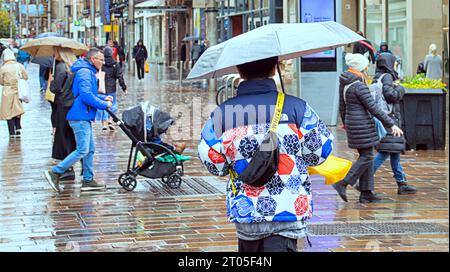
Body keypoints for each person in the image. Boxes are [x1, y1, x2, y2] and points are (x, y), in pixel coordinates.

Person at [198, 56, 334, 252]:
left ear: (240, 71)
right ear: (273, 68)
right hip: (288, 207)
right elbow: (320, 152)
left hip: (246, 210)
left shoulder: (223, 113)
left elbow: (213, 162)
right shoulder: (297, 107)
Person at [333, 53, 403, 203]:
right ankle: (343, 183)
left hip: (353, 123)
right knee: (367, 156)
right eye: (366, 66)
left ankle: (366, 193)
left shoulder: (346, 82)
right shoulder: (359, 85)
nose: (368, 68)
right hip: (361, 124)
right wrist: (391, 124)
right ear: (361, 67)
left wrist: (346, 123)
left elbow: (342, 105)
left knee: (367, 156)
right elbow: (373, 108)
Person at [44, 48, 113, 193]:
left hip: (84, 115)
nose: (103, 61)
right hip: (79, 116)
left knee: (90, 149)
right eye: (100, 59)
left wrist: (103, 98)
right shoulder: (85, 72)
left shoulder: (87, 71)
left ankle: (88, 180)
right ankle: (55, 172)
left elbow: (91, 94)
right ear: (93, 59)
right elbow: (86, 95)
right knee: (82, 149)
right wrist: (103, 104)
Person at [372, 53, 417, 195]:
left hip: (385, 119)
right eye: (395, 62)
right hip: (390, 120)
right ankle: (363, 178)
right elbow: (390, 95)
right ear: (389, 63)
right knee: (385, 151)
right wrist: (400, 89)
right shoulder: (387, 77)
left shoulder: (378, 77)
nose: (396, 65)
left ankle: (402, 183)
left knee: (394, 151)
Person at [49, 47, 78, 180]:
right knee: (69, 134)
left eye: (54, 52)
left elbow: (55, 88)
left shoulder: (60, 67)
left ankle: (67, 168)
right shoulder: (72, 66)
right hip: (72, 104)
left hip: (63, 104)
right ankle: (69, 166)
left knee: (63, 135)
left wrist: (52, 81)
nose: (53, 54)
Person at [96, 47, 127, 130]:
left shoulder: (101, 63)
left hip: (102, 88)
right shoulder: (115, 64)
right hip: (112, 88)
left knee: (103, 105)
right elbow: (120, 76)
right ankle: (111, 121)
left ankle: (104, 124)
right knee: (112, 104)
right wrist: (124, 88)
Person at [0, 49, 28, 137]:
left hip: (7, 91)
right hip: (18, 90)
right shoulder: (19, 66)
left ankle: (11, 132)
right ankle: (18, 128)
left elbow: (1, 81)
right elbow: (26, 77)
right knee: (17, 109)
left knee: (8, 111)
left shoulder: (3, 68)